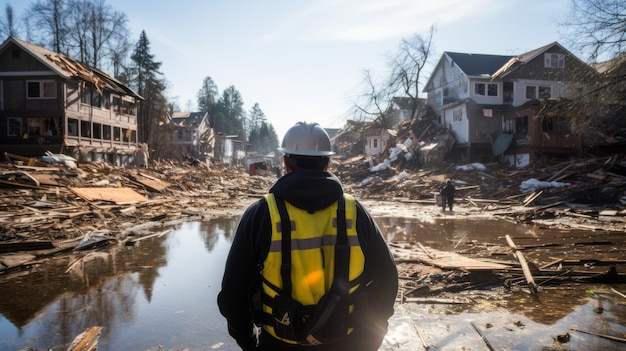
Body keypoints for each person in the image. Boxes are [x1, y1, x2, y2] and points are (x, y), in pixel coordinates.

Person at [218, 121, 398, 351]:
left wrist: (248, 342)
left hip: (278, 344)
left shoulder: (262, 214)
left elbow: (233, 296)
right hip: (346, 342)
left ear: (285, 163)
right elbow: (388, 279)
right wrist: (367, 340)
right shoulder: (356, 213)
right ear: (327, 164)